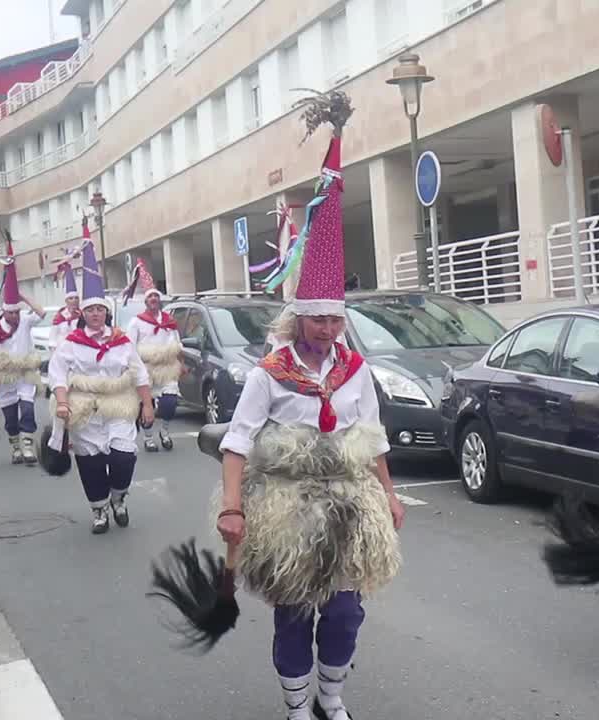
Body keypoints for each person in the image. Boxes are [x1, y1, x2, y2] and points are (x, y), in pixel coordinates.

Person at [214, 91, 404, 720]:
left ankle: (331, 697)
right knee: (294, 611)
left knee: (346, 611)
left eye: (334, 318)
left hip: (350, 502)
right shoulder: (269, 374)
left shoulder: (356, 370)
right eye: (317, 318)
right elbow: (237, 442)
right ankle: (298, 707)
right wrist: (233, 507)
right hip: (287, 506)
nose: (327, 328)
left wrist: (390, 495)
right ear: (298, 318)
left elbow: (372, 436)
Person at [47, 292, 154, 534]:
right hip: (86, 410)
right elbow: (57, 373)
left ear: (107, 312)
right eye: (90, 310)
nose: (95, 314)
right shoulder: (71, 343)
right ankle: (99, 509)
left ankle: (118, 497)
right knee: (90, 463)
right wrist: (62, 402)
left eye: (100, 309)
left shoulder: (122, 341)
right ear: (83, 314)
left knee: (123, 457)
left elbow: (139, 373)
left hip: (118, 405)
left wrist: (147, 404)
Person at [0, 243, 47, 465]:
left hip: (25, 375)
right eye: (12, 313)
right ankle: (16, 447)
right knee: (10, 418)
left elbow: (42, 313)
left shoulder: (25, 321)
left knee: (27, 410)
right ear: (4, 312)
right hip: (5, 378)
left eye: (18, 312)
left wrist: (24, 298)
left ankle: (28, 448)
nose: (16, 317)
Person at [124, 259, 183, 452]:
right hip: (146, 369)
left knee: (170, 403)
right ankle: (148, 437)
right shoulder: (136, 322)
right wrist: (132, 368)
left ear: (159, 300)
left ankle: (164, 432)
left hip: (166, 369)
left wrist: (180, 363)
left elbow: (176, 344)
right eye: (150, 297)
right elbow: (129, 347)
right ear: (146, 301)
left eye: (156, 297)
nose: (153, 300)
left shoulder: (169, 321)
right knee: (145, 404)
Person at [48, 262, 82, 350]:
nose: (74, 301)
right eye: (71, 298)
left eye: (76, 298)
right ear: (66, 301)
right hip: (62, 351)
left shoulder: (83, 315)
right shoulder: (60, 316)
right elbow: (52, 338)